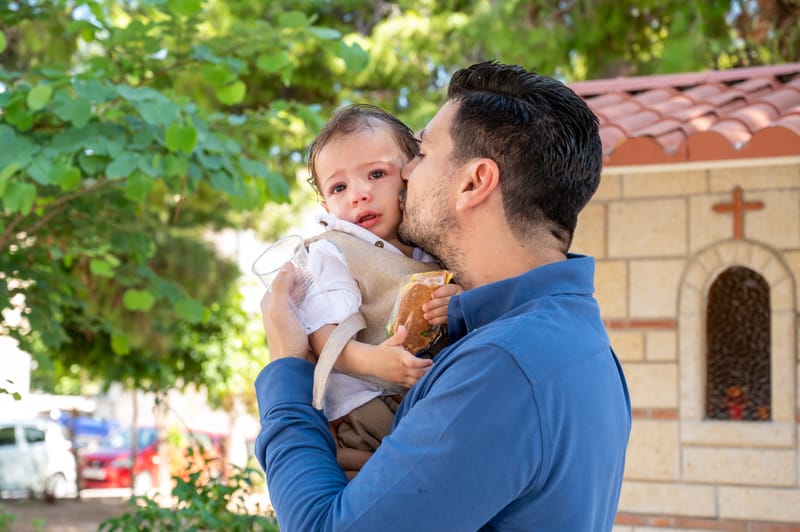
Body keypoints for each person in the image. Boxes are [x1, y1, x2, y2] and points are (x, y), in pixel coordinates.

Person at [254, 61, 631, 531]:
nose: (406, 172)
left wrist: (285, 368)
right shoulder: (573, 335)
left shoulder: (500, 367)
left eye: (422, 153)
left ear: (473, 182)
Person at [299, 104, 461, 471]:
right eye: (339, 187)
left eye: (376, 174)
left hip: (422, 398)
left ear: (410, 175)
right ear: (325, 204)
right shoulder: (334, 250)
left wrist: (458, 300)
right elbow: (324, 337)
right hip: (364, 408)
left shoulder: (432, 246)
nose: (358, 194)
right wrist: (375, 362)